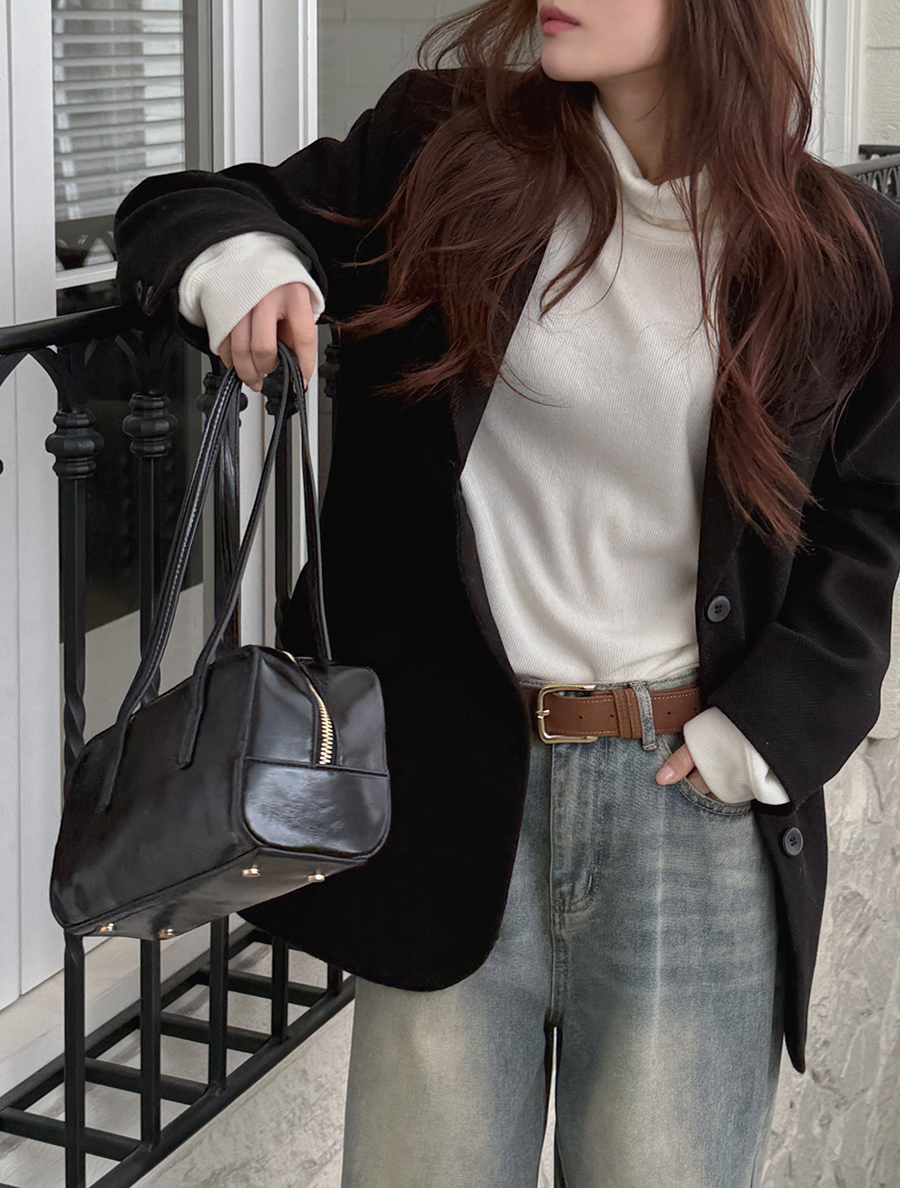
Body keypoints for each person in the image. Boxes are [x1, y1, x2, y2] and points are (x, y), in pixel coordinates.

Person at [112, 1, 900, 1185]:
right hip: (456, 794)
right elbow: (188, 208)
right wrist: (251, 265)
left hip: (689, 811)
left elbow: (868, 513)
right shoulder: (446, 150)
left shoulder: (839, 248)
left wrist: (765, 736)